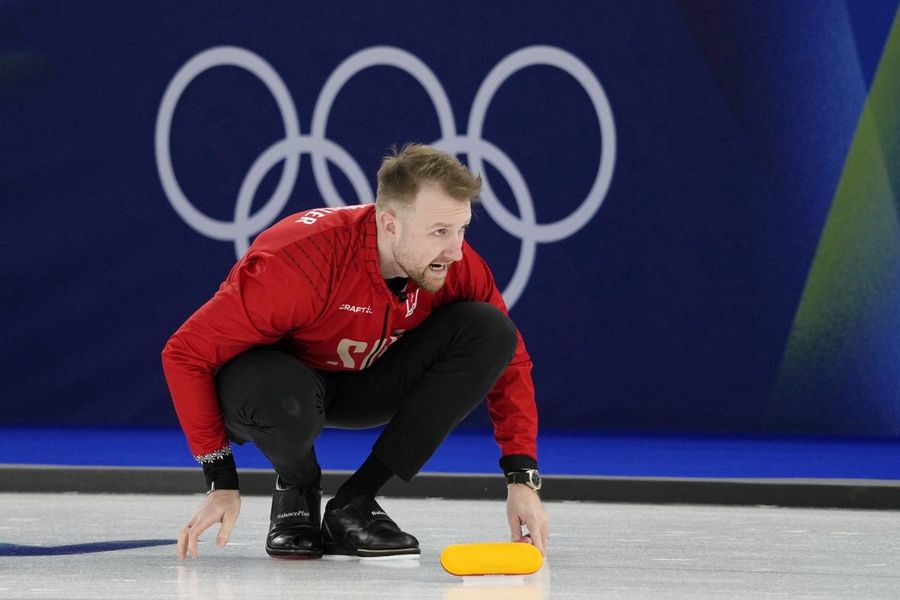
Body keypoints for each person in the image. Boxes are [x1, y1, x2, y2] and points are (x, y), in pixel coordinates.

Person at [161, 143, 549, 561]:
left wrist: (521, 477)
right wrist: (221, 481)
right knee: (280, 397)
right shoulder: (300, 261)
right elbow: (184, 353)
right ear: (390, 224)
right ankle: (298, 485)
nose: (455, 250)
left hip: (365, 383)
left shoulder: (454, 265)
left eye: (462, 230)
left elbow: (511, 360)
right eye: (439, 232)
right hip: (277, 388)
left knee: (491, 330)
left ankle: (355, 502)